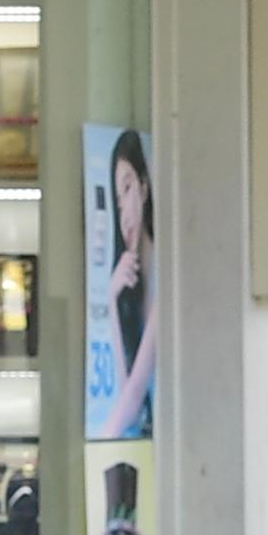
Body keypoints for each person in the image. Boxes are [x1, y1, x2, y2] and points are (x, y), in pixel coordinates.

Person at [101, 129, 157, 440]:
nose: (124, 215)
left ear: (145, 187)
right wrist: (111, 301)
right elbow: (128, 395)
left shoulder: (165, 287)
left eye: (128, 189)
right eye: (117, 201)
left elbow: (133, 399)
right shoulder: (135, 290)